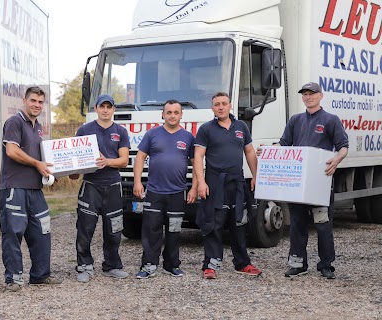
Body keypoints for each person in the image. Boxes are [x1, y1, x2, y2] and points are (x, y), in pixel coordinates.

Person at [257, 82, 348, 279]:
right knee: (297, 224)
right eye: (305, 94)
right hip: (297, 186)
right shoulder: (295, 120)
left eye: (312, 94)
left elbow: (343, 146)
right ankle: (298, 264)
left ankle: (326, 265)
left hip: (319, 184)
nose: (308, 97)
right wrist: (268, 150)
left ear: (320, 96)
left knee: (323, 224)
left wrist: (337, 160)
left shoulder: (331, 120)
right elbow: (284, 146)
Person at [193, 92, 262, 279]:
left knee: (239, 222)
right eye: (217, 104)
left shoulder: (241, 127)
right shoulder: (206, 129)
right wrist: (201, 181)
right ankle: (211, 265)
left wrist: (256, 176)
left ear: (230, 106)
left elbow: (249, 152)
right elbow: (198, 156)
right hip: (215, 183)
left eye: (224, 103)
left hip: (237, 182)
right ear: (212, 108)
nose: (221, 107)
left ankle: (243, 263)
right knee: (213, 224)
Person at [0, 86, 61, 292]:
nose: (36, 105)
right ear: (24, 101)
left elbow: (42, 157)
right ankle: (14, 279)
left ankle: (40, 275)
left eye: (40, 102)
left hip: (35, 189)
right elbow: (12, 151)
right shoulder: (14, 122)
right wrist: (37, 164)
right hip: (15, 188)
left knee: (42, 231)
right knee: (13, 233)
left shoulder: (38, 127)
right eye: (33, 100)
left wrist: (54, 170)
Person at [133, 100, 197, 279]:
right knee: (151, 230)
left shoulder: (188, 137)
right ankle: (149, 265)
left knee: (174, 231)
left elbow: (197, 163)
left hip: (177, 192)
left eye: (176, 112)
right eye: (169, 112)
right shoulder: (152, 134)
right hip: (154, 191)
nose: (172, 115)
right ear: (163, 114)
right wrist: (138, 182)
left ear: (181, 115)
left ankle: (172, 265)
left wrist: (195, 187)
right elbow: (140, 158)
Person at [69, 94, 130, 283]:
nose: (105, 110)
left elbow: (124, 160)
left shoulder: (121, 131)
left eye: (109, 107)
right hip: (91, 186)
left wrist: (107, 162)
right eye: (102, 106)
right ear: (95, 108)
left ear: (114, 110)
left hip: (112, 186)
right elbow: (76, 157)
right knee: (85, 229)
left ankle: (111, 265)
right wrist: (74, 171)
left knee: (114, 229)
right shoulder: (84, 130)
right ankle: (84, 266)